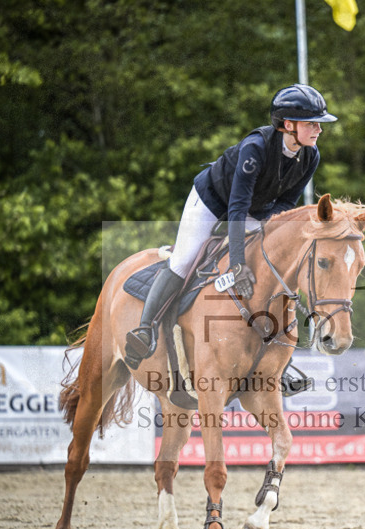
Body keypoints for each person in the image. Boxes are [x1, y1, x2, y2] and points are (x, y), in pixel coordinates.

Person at [124, 84, 337, 371]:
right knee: (185, 260)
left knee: (266, 266)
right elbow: (235, 208)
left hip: (254, 209)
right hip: (212, 200)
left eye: (319, 124)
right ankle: (145, 330)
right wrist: (237, 264)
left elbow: (286, 202)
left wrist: (265, 232)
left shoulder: (311, 156)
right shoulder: (256, 148)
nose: (319, 130)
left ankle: (276, 358)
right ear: (288, 125)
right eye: (312, 124)